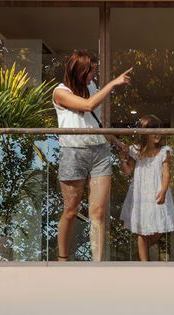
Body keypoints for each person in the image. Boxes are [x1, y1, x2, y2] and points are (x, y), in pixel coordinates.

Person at [52, 50, 130, 262]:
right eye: (91, 72)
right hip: (73, 152)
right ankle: (62, 259)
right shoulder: (60, 92)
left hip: (100, 152)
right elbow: (88, 106)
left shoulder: (92, 87)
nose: (93, 76)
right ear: (79, 71)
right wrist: (112, 84)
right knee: (71, 210)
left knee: (98, 211)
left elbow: (95, 122)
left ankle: (98, 263)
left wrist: (116, 141)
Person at [121, 116, 174, 262]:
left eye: (159, 130)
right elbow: (127, 171)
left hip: (157, 192)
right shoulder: (136, 151)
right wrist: (123, 159)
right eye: (153, 130)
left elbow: (166, 174)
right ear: (144, 133)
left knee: (159, 228)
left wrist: (163, 191)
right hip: (140, 194)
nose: (157, 134)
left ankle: (142, 252)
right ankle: (144, 264)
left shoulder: (164, 151)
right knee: (141, 229)